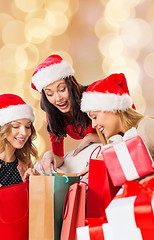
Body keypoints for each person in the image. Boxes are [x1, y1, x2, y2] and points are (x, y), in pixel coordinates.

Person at [31, 54, 101, 175]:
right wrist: (48, 155)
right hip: (91, 158)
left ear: (70, 85)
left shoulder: (92, 96)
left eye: (62, 89)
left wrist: (92, 138)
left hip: (110, 149)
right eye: (50, 94)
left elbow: (123, 133)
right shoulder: (53, 115)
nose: (58, 98)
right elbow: (59, 157)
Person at [79, 73, 154, 183]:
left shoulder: (146, 126)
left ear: (113, 107)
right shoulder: (119, 144)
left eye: (94, 117)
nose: (93, 125)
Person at [0, 94, 39, 187]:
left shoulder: (26, 165)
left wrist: (34, 184)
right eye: (16, 126)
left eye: (28, 126)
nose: (24, 132)